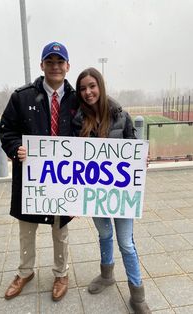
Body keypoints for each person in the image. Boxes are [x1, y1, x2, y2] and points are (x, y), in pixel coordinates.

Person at [0, 42, 78, 301]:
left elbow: (96, 128)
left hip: (64, 180)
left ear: (67, 66)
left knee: (60, 231)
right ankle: (25, 272)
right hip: (31, 180)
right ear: (42, 65)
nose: (55, 67)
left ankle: (61, 272)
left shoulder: (78, 99)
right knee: (26, 230)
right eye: (50, 62)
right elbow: (7, 130)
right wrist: (15, 147)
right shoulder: (21, 97)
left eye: (60, 62)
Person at [73, 67, 151, 314]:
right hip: (95, 194)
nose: (88, 92)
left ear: (101, 86)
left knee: (126, 243)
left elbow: (134, 148)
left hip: (121, 194)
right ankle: (107, 274)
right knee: (104, 235)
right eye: (83, 88)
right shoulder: (78, 120)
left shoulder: (121, 116)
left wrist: (142, 158)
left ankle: (137, 296)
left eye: (92, 86)